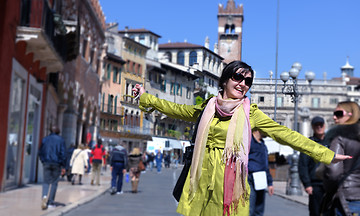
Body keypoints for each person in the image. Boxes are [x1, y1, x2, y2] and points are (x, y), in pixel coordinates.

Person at [132, 60, 350, 216]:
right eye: (238, 77)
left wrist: (327, 154)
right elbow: (177, 110)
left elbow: (286, 134)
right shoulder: (208, 106)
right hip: (200, 176)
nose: (243, 83)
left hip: (230, 179)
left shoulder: (250, 113)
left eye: (248, 81)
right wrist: (146, 97)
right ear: (226, 80)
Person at [323, 101, 360, 216]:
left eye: (339, 113)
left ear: (351, 114)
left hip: (348, 195)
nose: (334, 117)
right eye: (334, 113)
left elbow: (333, 172)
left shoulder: (339, 137)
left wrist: (328, 188)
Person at [298, 116, 327, 216]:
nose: (319, 127)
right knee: (315, 212)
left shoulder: (331, 142)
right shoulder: (308, 144)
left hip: (330, 184)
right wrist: (307, 184)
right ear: (312, 127)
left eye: (321, 125)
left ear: (324, 126)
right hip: (315, 185)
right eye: (316, 125)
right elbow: (303, 165)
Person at [38, 125, 66, 210]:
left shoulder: (45, 139)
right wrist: (63, 165)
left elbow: (40, 151)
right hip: (56, 163)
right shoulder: (61, 140)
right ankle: (50, 202)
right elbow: (63, 153)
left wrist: (43, 161)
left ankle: (44, 196)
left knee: (46, 181)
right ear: (58, 131)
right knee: (54, 183)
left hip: (46, 162)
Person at [248, 129, 274, 216]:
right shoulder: (249, 141)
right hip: (250, 178)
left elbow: (266, 166)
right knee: (249, 209)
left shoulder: (263, 144)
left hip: (261, 179)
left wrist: (270, 183)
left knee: (259, 210)